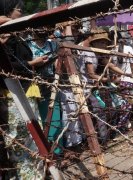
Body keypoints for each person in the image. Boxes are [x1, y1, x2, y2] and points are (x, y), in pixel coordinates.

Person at [0, 0, 49, 179]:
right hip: (13, 94)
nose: (21, 12)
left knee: (32, 135)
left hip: (25, 90)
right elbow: (8, 66)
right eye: (18, 9)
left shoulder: (16, 35)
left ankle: (34, 173)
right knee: (19, 138)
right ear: (6, 12)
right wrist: (31, 63)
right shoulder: (6, 36)